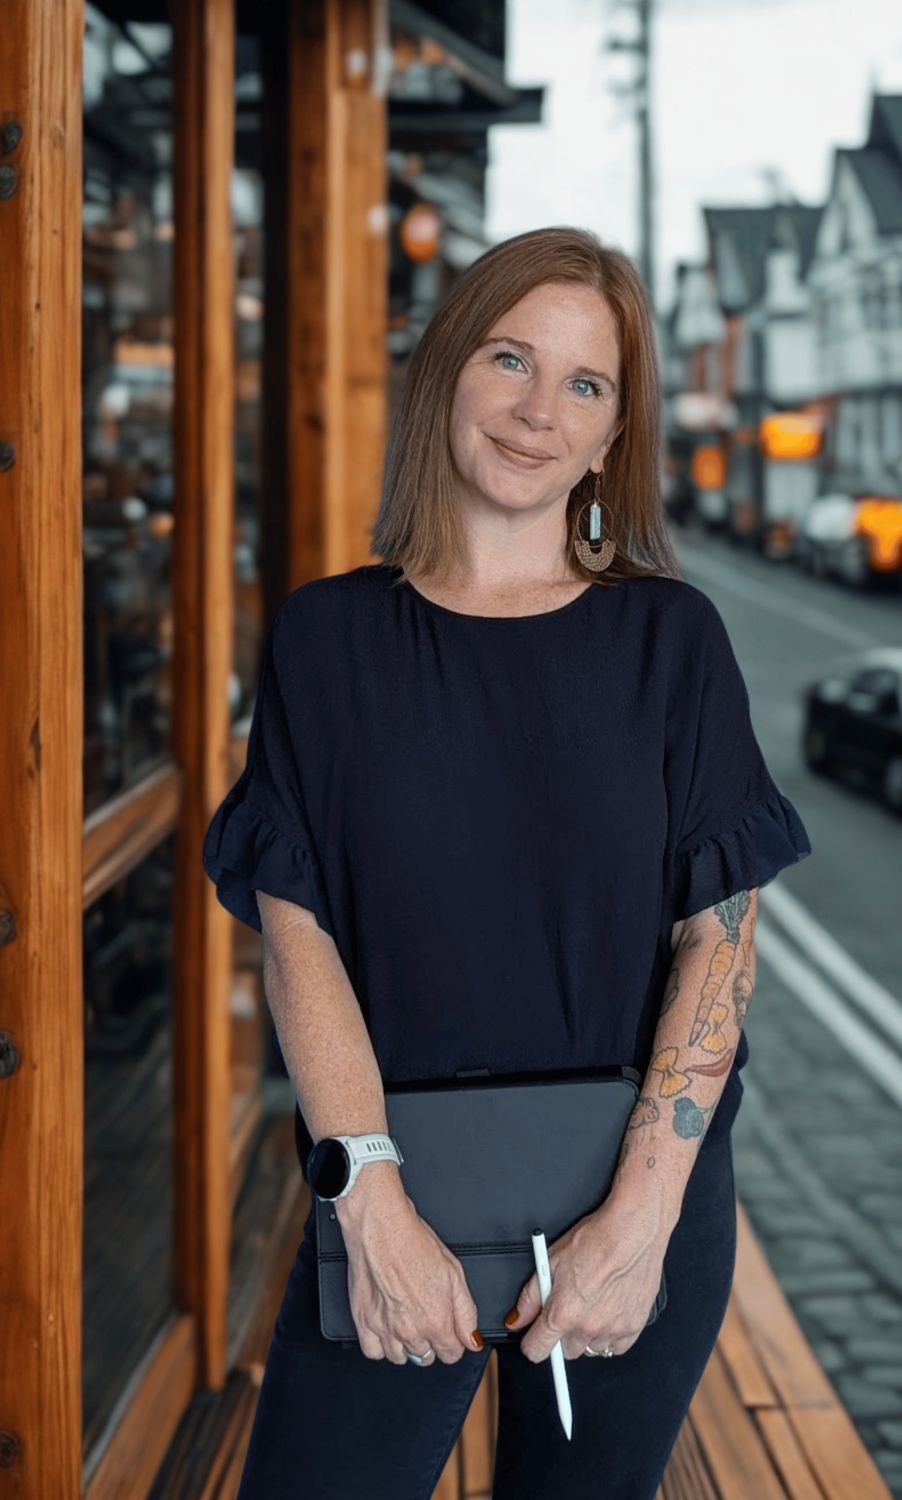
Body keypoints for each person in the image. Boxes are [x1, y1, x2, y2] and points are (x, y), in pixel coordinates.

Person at [202, 225, 812, 1499]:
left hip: (635, 1196)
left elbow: (720, 940)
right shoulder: (326, 641)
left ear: (611, 437)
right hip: (396, 1193)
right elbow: (297, 931)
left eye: (584, 386)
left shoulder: (670, 642)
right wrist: (368, 1203)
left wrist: (636, 1228)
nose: (539, 412)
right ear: (445, 377)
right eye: (509, 360)